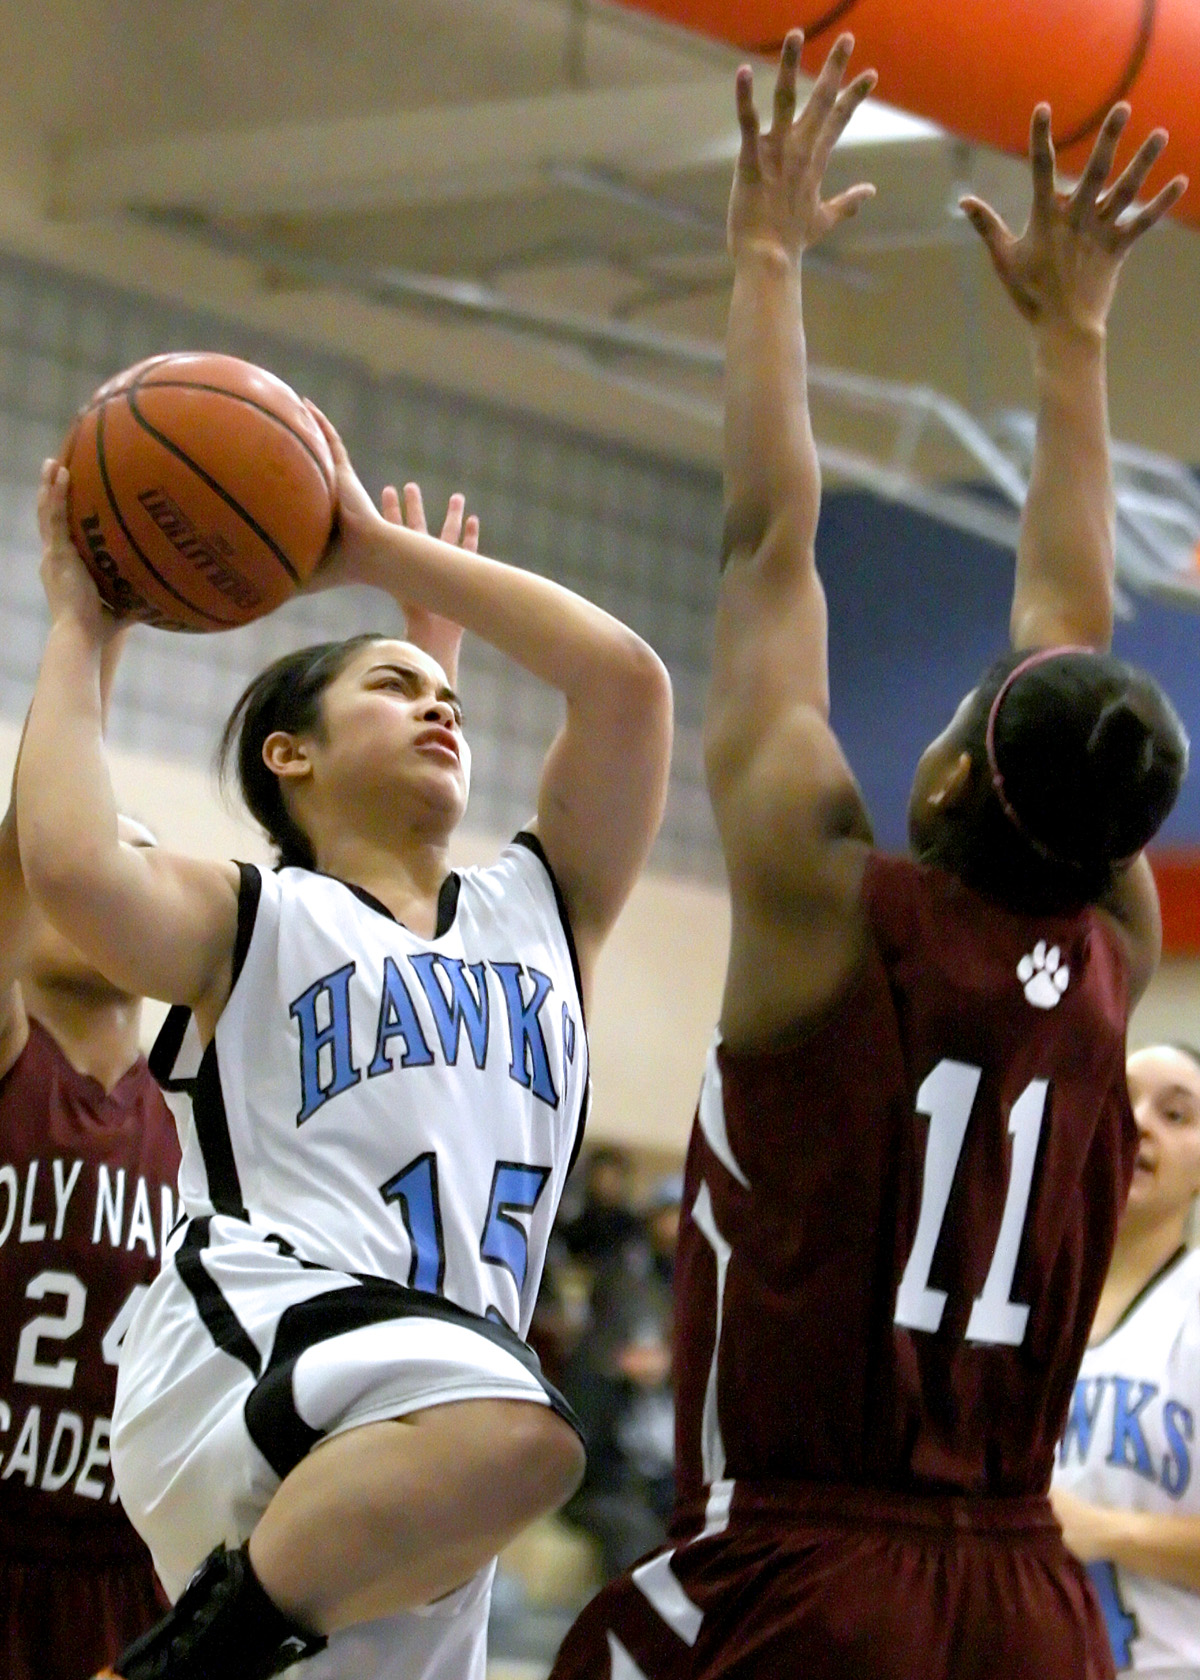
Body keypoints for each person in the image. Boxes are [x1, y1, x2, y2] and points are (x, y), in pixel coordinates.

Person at [550, 30, 1189, 1680]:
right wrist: (1078, 346)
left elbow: (770, 543)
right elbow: (1069, 631)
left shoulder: (825, 904)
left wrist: (765, 260)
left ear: (954, 768)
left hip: (806, 1572)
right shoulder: (1114, 947)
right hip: (1029, 1598)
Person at [15, 415, 672, 1680]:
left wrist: (400, 574)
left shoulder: (544, 913)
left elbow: (626, 685)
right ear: (291, 754)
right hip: (253, 1354)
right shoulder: (256, 917)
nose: (438, 712)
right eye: (392, 690)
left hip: (420, 1454)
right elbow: (74, 865)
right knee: (530, 1432)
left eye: (447, 701)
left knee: (503, 1439)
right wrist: (82, 629)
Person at [0, 634, 182, 1680]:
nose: (94, 887)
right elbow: (32, 836)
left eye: (130, 868)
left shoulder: (206, 1116)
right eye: (78, 865)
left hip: (134, 1571)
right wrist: (89, 631)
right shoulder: (9, 1056)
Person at [1052, 1042, 1200, 1675]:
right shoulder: (1026, 1300)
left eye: (1176, 1114)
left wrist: (1106, 1532)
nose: (1139, 1122)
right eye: (1122, 1100)